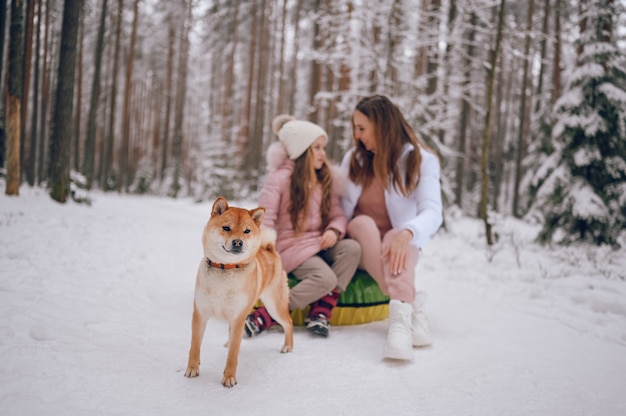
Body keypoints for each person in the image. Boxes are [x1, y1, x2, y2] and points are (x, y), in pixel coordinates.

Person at [340, 95, 443, 360]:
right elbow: (339, 208)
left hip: (401, 246)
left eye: (362, 128)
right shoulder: (355, 159)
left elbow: (432, 212)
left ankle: (400, 325)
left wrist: (408, 232)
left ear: (381, 125)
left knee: (398, 235)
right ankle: (408, 309)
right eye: (355, 128)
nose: (357, 135)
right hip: (362, 244)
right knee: (362, 223)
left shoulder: (420, 161)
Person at [244, 115, 361, 338]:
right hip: (291, 246)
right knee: (326, 278)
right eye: (317, 148)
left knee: (352, 249)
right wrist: (264, 253)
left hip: (317, 242)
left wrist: (333, 230)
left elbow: (338, 215)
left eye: (323, 148)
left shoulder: (323, 179)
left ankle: (321, 310)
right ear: (302, 149)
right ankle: (270, 313)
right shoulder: (278, 179)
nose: (323, 153)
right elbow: (265, 219)